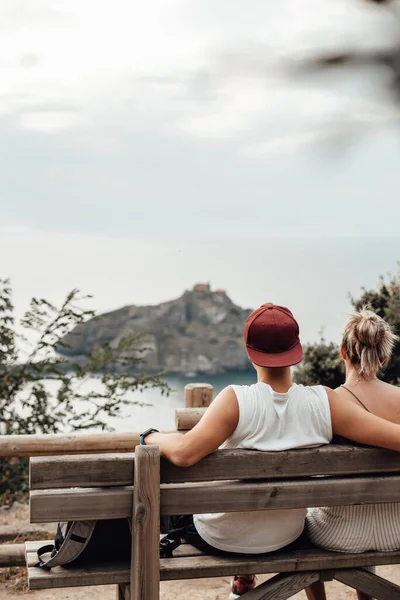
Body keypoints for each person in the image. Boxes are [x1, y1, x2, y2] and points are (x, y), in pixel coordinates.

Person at [141, 303, 400, 600]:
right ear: (297, 348)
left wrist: (151, 436)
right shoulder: (325, 402)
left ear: (249, 351)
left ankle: (242, 579)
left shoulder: (234, 400)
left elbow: (185, 453)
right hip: (287, 535)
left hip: (223, 539)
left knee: (183, 514)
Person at [305, 308, 399, 600]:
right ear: (383, 358)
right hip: (397, 530)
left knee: (299, 521)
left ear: (342, 351)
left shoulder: (326, 402)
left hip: (337, 533)